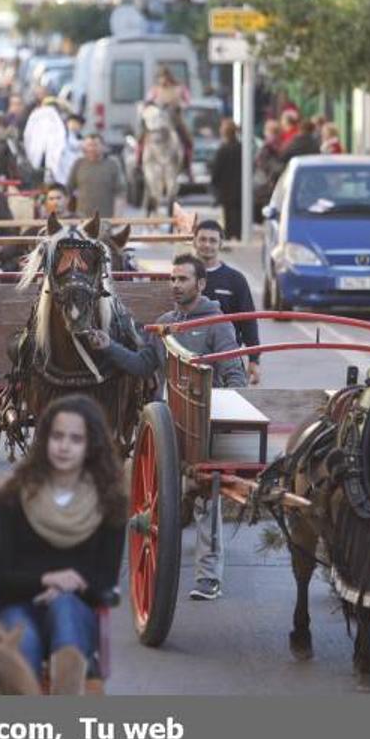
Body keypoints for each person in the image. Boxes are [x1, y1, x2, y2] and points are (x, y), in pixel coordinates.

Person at [86, 255, 245, 602]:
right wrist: (108, 346)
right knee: (137, 491)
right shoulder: (165, 323)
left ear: (200, 284)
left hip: (203, 426)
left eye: (183, 279)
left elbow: (235, 374)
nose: (175, 285)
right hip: (166, 428)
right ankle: (110, 570)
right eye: (172, 279)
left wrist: (225, 410)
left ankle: (208, 578)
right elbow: (144, 365)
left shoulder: (219, 324)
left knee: (209, 496)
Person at [0, 395, 127, 694]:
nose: (64, 446)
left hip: (75, 608)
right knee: (23, 640)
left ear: (91, 446)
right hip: (17, 604)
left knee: (65, 610)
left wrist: (71, 587)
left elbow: (104, 581)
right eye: (57, 436)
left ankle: (67, 690)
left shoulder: (109, 503)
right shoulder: (15, 495)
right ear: (45, 439)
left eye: (76, 439)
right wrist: (46, 580)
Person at [192, 220, 261, 386]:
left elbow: (248, 320)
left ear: (221, 243)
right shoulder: (183, 277)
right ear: (194, 241)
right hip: (190, 356)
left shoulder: (235, 280)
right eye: (202, 239)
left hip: (227, 358)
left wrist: (254, 359)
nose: (207, 245)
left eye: (212, 240)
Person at [67, 133, 121, 218]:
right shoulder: (78, 164)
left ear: (103, 147)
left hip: (105, 218)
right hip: (82, 219)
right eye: (89, 145)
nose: (91, 148)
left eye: (95, 145)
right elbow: (68, 189)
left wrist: (117, 216)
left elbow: (121, 192)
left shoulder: (112, 165)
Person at [209, 119, 242, 240]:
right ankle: (237, 233)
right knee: (238, 212)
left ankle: (229, 233)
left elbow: (217, 169)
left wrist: (214, 183)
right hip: (239, 187)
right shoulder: (241, 148)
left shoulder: (222, 150)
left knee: (228, 212)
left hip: (226, 188)